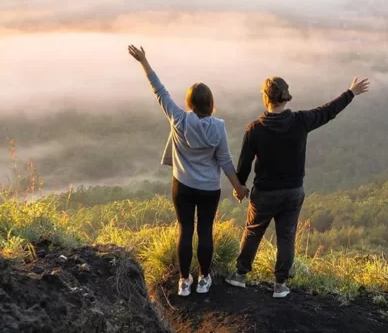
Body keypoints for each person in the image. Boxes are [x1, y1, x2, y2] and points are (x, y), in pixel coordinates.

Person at [227, 74, 370, 298]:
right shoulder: (300, 121)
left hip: (264, 193)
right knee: (286, 236)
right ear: (286, 96)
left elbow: (244, 166)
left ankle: (239, 276)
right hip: (293, 192)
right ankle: (281, 285)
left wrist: (240, 188)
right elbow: (328, 111)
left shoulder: (254, 130)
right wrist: (351, 93)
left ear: (265, 97)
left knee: (253, 233)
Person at [128, 45, 248, 297]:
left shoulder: (179, 119)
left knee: (185, 230)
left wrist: (144, 61)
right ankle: (204, 279)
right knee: (205, 231)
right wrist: (238, 187)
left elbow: (159, 91)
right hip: (209, 189)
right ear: (211, 104)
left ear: (189, 103)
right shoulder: (218, 127)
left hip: (182, 185)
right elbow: (225, 159)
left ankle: (184, 281)